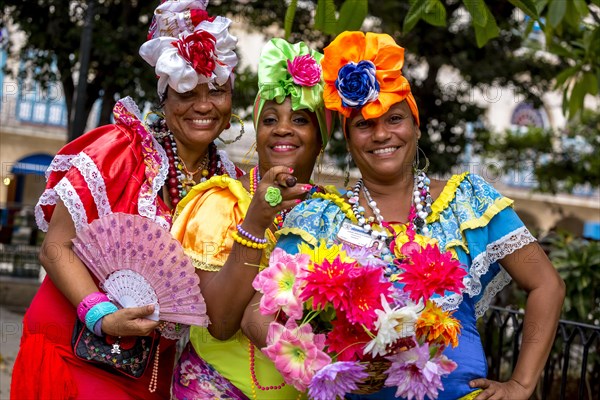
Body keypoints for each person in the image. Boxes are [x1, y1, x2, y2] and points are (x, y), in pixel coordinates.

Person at [242, 31, 565, 400]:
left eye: (394, 119)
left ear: (415, 126)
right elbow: (255, 316)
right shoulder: (320, 216)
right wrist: (318, 363)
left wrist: (522, 384)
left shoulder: (468, 201)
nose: (381, 134)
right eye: (364, 124)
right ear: (349, 141)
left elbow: (547, 285)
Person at [10, 1, 240, 399]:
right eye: (186, 91)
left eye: (216, 91)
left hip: (150, 368)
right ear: (164, 98)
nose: (203, 105)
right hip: (74, 349)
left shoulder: (229, 184)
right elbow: (54, 248)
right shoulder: (119, 151)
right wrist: (102, 314)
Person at [170, 37, 334, 399]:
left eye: (301, 119)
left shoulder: (333, 214)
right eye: (270, 119)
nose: (282, 129)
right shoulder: (221, 201)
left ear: (321, 137)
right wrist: (255, 222)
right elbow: (221, 323)